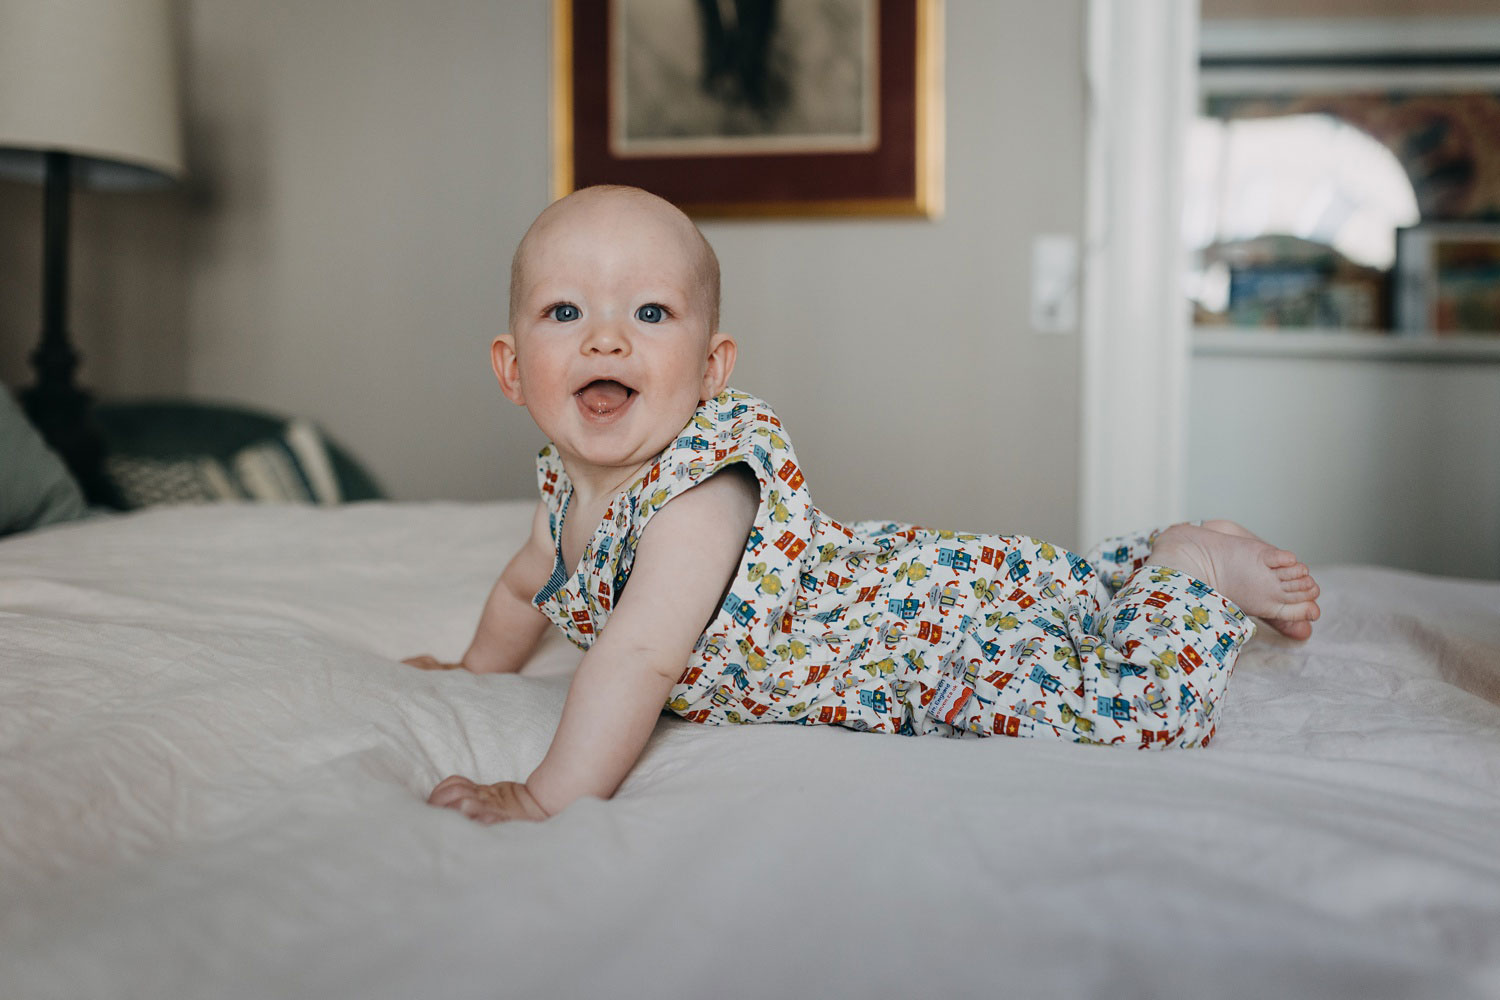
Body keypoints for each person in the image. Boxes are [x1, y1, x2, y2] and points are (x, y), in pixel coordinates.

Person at [404, 185, 1321, 825]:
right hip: (902, 589)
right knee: (1071, 601)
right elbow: (529, 583)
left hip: (917, 642)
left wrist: (544, 795)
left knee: (1137, 712)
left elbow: (638, 656)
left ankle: (1190, 571)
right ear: (513, 370)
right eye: (565, 312)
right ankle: (1153, 559)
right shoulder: (564, 486)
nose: (605, 333)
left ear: (712, 370)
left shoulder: (701, 494)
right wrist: (475, 672)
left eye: (650, 313)